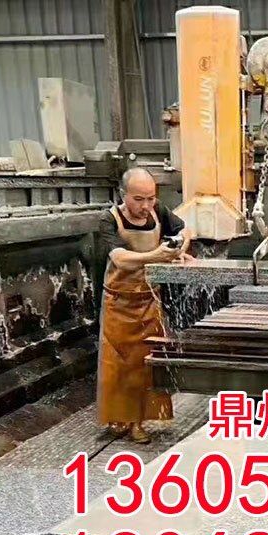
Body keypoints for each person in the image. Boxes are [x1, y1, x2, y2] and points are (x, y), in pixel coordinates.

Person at [96, 167, 194, 443]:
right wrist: (156, 256)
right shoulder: (109, 219)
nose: (146, 205)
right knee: (117, 365)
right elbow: (121, 259)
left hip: (149, 300)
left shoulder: (158, 211)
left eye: (151, 198)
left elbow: (185, 230)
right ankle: (119, 418)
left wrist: (179, 250)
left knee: (145, 364)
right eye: (139, 199)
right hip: (118, 302)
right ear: (123, 195)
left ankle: (138, 422)